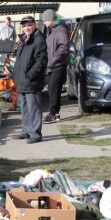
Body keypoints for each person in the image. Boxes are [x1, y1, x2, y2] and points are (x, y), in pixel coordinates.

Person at [13, 16, 48, 144]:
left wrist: (30, 75)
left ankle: (35, 133)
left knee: (34, 108)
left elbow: (41, 61)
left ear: (34, 25)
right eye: (24, 26)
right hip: (22, 80)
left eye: (29, 25)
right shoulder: (24, 40)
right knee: (25, 108)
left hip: (31, 81)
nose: (27, 28)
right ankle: (26, 131)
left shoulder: (38, 40)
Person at [41, 9, 69, 124]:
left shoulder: (59, 29)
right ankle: (55, 113)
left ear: (51, 20)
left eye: (45, 21)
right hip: (54, 64)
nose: (44, 23)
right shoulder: (53, 30)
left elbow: (64, 45)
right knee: (54, 90)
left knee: (53, 90)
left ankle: (53, 114)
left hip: (57, 65)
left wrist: (53, 59)